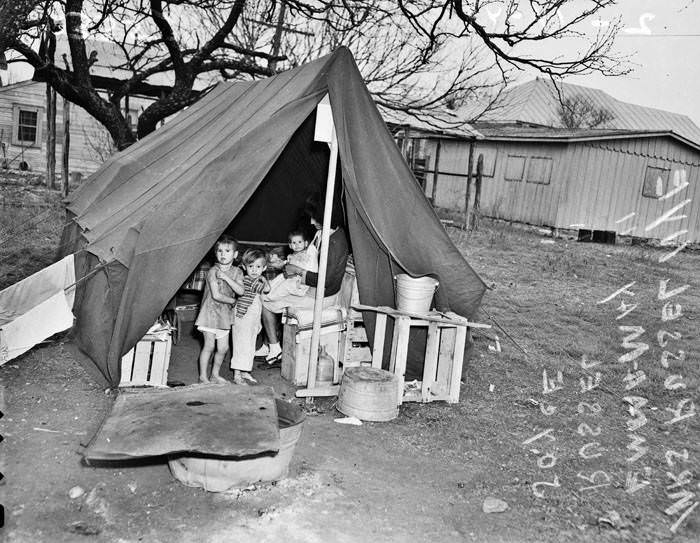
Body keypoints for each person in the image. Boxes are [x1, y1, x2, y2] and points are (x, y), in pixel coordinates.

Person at [257, 195, 349, 363]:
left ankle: (274, 347)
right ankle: (269, 345)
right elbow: (306, 258)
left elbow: (325, 281)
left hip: (321, 297)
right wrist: (285, 264)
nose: (312, 222)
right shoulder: (324, 232)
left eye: (316, 218)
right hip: (310, 289)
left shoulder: (334, 243)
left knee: (265, 300)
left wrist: (297, 271)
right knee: (271, 289)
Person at [195, 235, 244, 383]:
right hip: (209, 313)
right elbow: (216, 295)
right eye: (220, 251)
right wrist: (232, 301)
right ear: (216, 253)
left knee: (223, 348)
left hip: (224, 315)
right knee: (209, 345)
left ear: (235, 255)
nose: (223, 254)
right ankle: (203, 376)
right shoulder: (212, 271)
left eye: (227, 251)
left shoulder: (238, 272)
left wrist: (226, 277)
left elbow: (241, 291)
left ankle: (214, 374)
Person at [230, 249, 271, 384]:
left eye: (258, 267)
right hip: (243, 317)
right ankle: (237, 374)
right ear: (244, 267)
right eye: (251, 266)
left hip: (251, 317)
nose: (254, 270)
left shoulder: (255, 279)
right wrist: (263, 278)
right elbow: (267, 289)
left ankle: (245, 371)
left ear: (264, 267)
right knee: (241, 345)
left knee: (249, 345)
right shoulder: (248, 280)